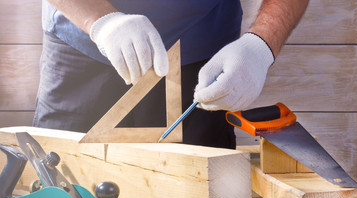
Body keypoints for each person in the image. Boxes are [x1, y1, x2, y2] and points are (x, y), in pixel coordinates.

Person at [34, 0, 309, 149]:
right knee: (61, 189)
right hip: (86, 38)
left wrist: (260, 46)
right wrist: (101, 21)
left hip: (200, 50)